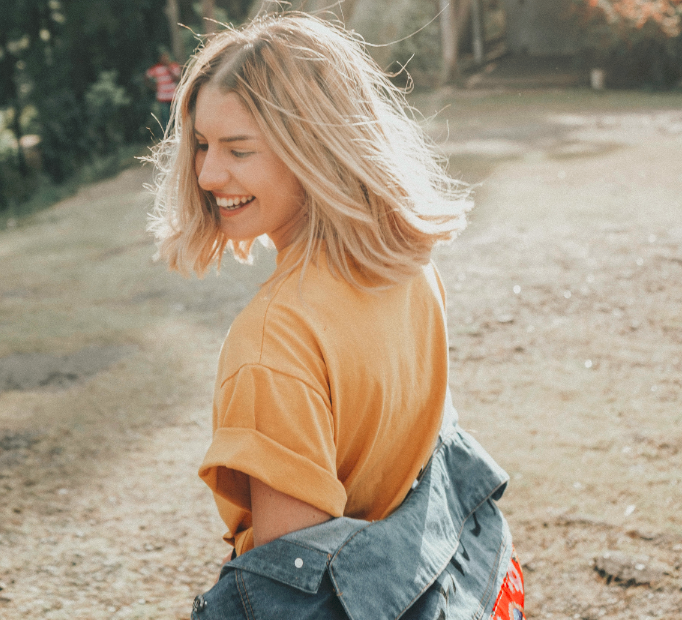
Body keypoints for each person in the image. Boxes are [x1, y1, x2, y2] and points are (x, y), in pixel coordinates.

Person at [148, 13, 525, 620]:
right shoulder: (407, 265)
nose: (207, 174)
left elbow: (292, 596)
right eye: (200, 143)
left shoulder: (275, 340)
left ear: (313, 148)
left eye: (238, 149)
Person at [145, 50, 181, 131]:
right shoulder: (156, 68)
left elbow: (177, 78)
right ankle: (166, 136)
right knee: (165, 119)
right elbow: (146, 76)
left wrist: (169, 68)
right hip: (162, 98)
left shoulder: (174, 66)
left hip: (173, 97)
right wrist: (153, 87)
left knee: (175, 118)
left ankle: (176, 134)